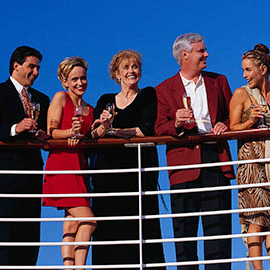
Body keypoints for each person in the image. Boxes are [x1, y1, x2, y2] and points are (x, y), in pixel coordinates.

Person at [155, 33, 234, 270]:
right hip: (183, 166)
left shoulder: (218, 81)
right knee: (184, 236)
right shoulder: (163, 89)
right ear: (184, 55)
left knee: (218, 234)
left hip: (215, 160)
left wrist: (226, 124)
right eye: (201, 51)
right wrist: (176, 124)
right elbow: (159, 128)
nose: (206, 54)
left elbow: (234, 114)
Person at [89, 49, 165, 269]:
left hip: (139, 172)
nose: (132, 71)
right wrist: (104, 127)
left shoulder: (148, 95)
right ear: (117, 73)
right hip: (108, 175)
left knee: (142, 226)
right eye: (126, 67)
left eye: (135, 67)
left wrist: (117, 131)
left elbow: (147, 129)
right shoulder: (105, 99)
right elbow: (93, 134)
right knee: (109, 226)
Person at [0, 46, 50, 266]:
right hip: (6, 178)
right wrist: (14, 128)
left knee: (30, 238)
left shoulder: (42, 99)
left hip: (33, 175)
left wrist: (45, 136)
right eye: (32, 66)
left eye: (38, 68)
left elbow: (48, 131)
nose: (36, 72)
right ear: (15, 65)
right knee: (5, 234)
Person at [229, 44, 270, 270]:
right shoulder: (240, 94)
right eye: (243, 70)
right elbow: (232, 128)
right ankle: (258, 268)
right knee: (254, 219)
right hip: (251, 161)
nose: (244, 75)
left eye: (248, 70)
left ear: (263, 69)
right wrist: (251, 122)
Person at [42, 57, 96, 269]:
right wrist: (69, 133)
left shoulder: (89, 109)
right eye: (74, 79)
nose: (80, 83)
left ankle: (69, 268)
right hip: (62, 166)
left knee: (72, 223)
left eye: (83, 78)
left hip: (80, 167)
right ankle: (79, 268)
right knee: (90, 221)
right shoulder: (60, 98)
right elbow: (51, 131)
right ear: (65, 81)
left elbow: (91, 136)